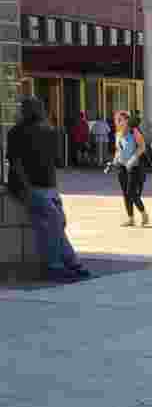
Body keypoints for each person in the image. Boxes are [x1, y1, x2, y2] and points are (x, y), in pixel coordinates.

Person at [5, 98, 90, 282]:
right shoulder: (51, 131)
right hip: (47, 187)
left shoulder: (15, 132)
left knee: (51, 227)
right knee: (55, 225)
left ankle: (61, 264)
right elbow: (56, 163)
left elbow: (15, 164)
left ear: (23, 111)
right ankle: (69, 263)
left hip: (32, 187)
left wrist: (25, 188)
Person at [111, 111, 150, 227]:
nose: (118, 123)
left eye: (120, 120)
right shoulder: (117, 134)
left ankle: (144, 214)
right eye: (116, 120)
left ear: (127, 120)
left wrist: (133, 159)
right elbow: (118, 150)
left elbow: (142, 147)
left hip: (134, 167)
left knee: (131, 192)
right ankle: (131, 218)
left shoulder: (134, 132)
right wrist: (114, 161)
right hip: (121, 166)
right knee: (125, 193)